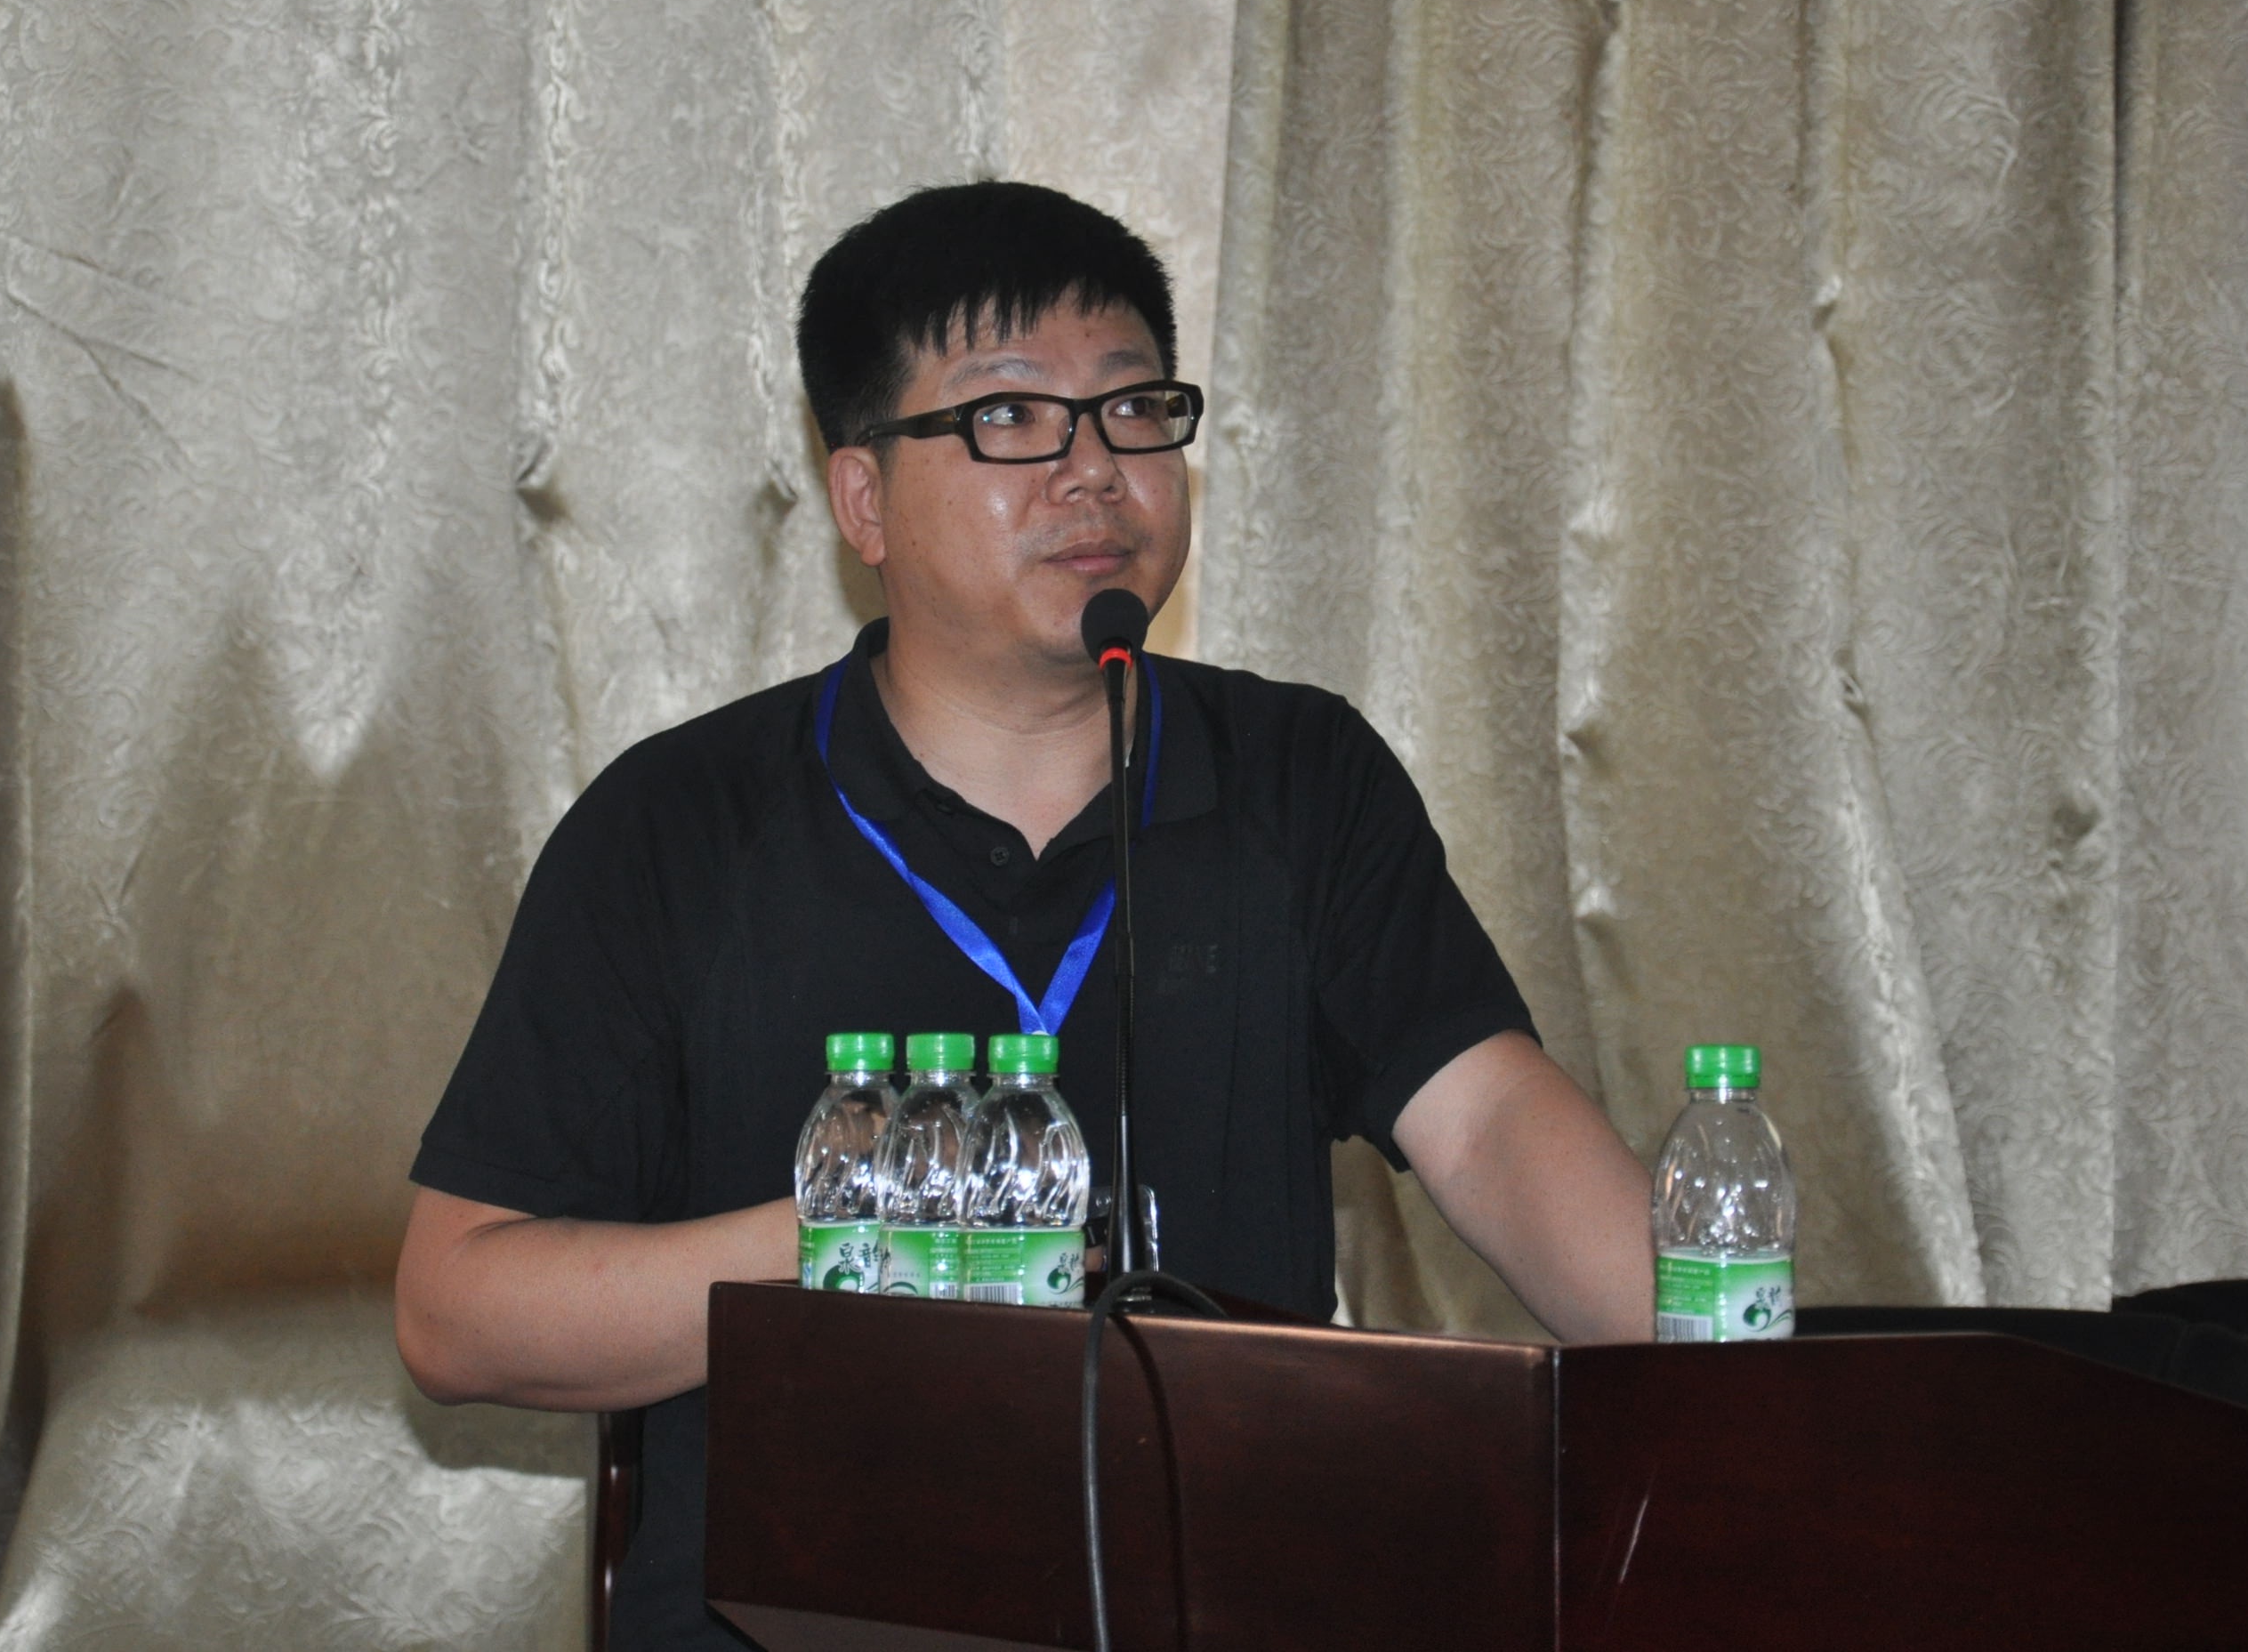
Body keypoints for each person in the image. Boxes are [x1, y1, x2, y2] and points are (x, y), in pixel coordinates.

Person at [393, 181, 1654, 1648]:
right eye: (1010, 417)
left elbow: (1488, 1124)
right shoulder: (683, 824)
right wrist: (858, 1234)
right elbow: (457, 1310)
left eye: (1134, 410)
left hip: (1225, 1602)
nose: (1093, 472)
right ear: (863, 499)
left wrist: (1739, 1372)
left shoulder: (1298, 781)